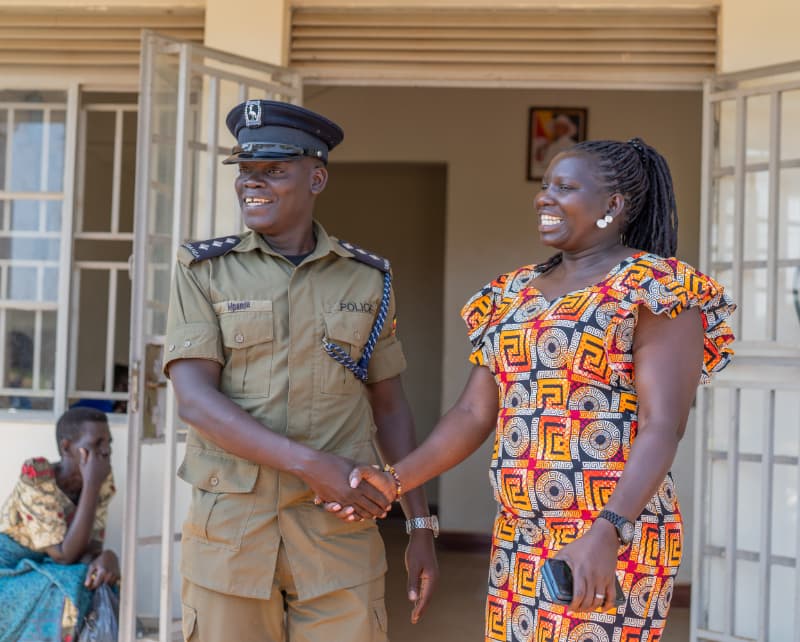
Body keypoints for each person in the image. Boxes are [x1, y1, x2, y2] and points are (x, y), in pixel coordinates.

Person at [340, 138, 736, 640]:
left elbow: (665, 424)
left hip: (614, 530)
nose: (544, 197)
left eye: (565, 187)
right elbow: (471, 414)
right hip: (521, 534)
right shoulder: (510, 294)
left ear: (613, 206)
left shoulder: (656, 288)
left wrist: (608, 529)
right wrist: (394, 480)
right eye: (546, 186)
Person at [163, 99, 438, 642]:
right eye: (245, 172)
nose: (252, 184)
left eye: (274, 171)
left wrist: (420, 524)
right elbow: (194, 400)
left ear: (316, 177)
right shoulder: (203, 270)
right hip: (232, 535)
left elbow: (391, 406)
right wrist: (311, 464)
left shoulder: (367, 278)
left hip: (341, 531)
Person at [0, 407, 118, 642]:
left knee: (99, 578)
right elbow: (63, 556)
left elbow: (89, 546)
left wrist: (107, 557)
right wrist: (91, 484)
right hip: (10, 572)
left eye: (108, 442)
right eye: (96, 444)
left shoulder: (101, 478)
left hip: (47, 567)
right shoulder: (37, 477)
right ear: (66, 447)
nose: (105, 451)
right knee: (68, 583)